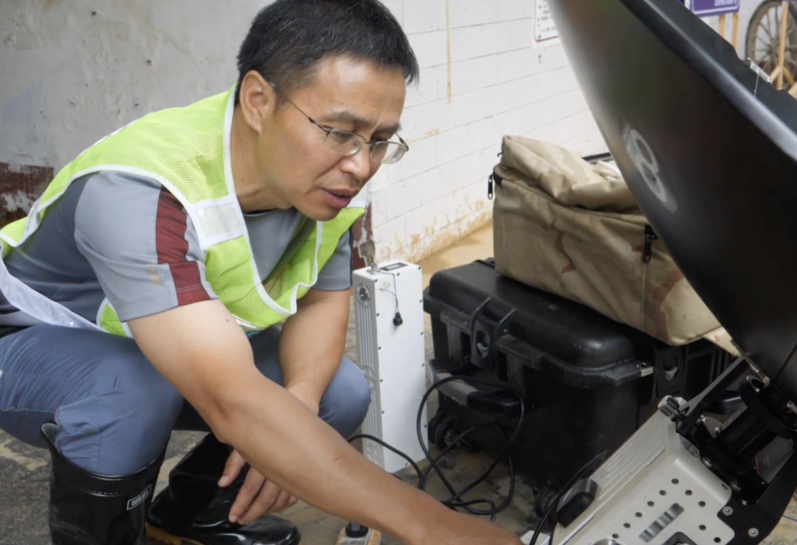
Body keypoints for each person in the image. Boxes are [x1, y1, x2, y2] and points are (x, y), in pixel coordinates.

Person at [0, 2, 524, 545]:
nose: (360, 165)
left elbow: (322, 301)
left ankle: (190, 516)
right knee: (134, 389)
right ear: (257, 100)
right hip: (29, 343)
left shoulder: (325, 183)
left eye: (379, 140)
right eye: (339, 131)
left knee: (334, 392)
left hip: (166, 344)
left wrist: (295, 415)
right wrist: (434, 527)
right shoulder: (141, 191)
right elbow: (234, 402)